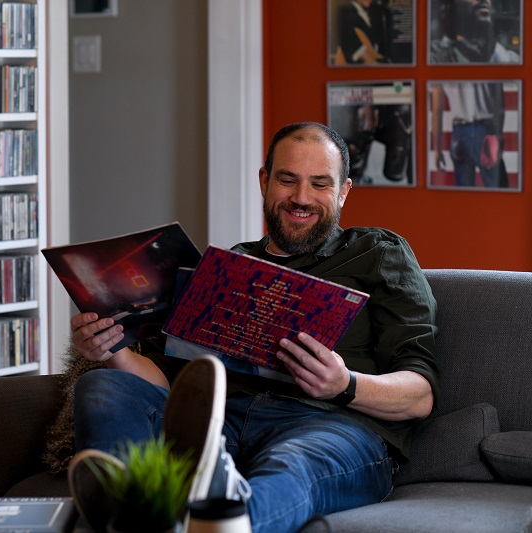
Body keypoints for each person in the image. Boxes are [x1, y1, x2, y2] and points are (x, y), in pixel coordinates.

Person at [67, 122, 439, 533]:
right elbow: (168, 385)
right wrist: (113, 348)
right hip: (218, 424)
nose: (301, 198)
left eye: (319, 184)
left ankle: (195, 516)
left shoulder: (376, 253)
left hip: (330, 426)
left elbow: (419, 395)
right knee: (101, 386)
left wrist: (344, 383)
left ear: (344, 191)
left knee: (292, 466)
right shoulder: (226, 268)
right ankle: (140, 505)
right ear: (265, 181)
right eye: (287, 180)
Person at [429, 0, 519, 188]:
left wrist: (437, 150)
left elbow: (436, 110)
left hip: (458, 133)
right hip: (485, 129)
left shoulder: (440, 55)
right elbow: (499, 102)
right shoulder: (492, 52)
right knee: (499, 191)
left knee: (462, 193)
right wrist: (499, 136)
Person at [333, 0, 391, 64]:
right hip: (358, 65)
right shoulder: (345, 12)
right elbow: (348, 39)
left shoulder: (376, 10)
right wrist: (368, 59)